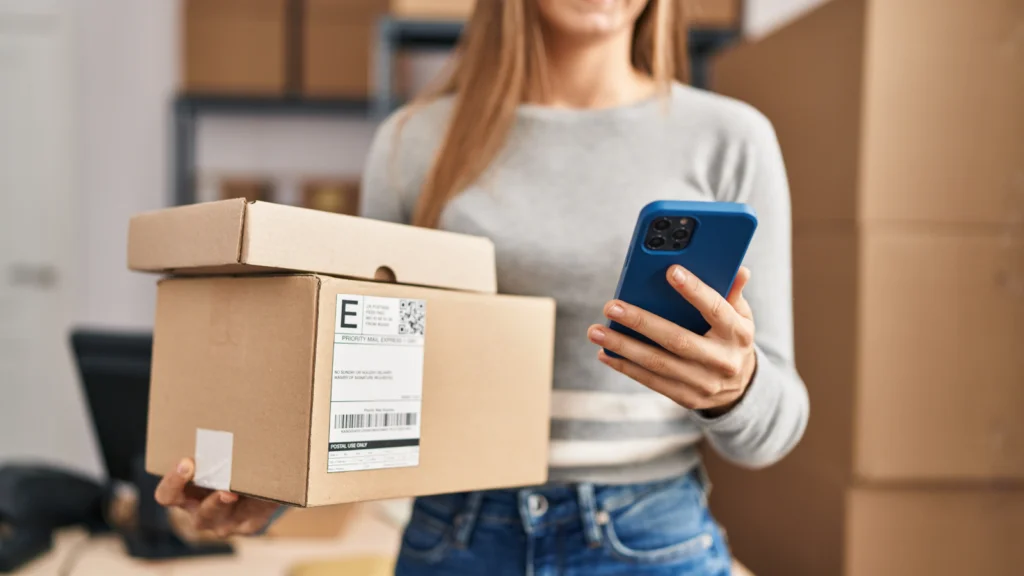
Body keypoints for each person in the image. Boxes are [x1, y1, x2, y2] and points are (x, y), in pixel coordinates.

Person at [155, 0, 810, 573]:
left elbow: (774, 430)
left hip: (650, 535)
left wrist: (738, 387)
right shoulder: (412, 142)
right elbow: (345, 378)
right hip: (457, 535)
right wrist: (269, 489)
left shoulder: (730, 139)